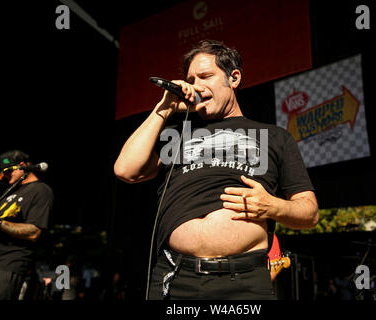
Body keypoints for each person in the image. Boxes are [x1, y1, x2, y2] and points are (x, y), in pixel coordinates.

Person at [114, 40, 318, 300]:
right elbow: (125, 169)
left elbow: (309, 212)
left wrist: (272, 207)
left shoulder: (275, 136)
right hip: (174, 276)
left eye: (206, 76)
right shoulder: (177, 134)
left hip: (242, 282)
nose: (196, 85)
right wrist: (163, 108)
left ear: (233, 78)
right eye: (190, 78)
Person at [0, 150, 53, 300]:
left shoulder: (41, 191)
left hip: (9, 265)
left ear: (22, 166)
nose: (5, 175)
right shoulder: (9, 193)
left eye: (8, 171)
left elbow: (34, 232)